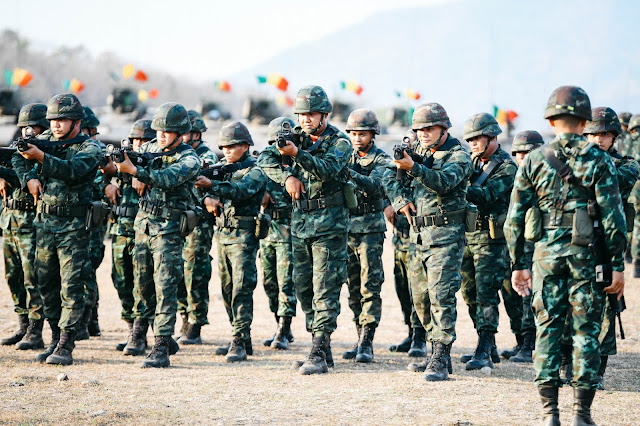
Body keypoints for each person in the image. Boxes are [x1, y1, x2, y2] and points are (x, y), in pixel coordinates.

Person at [505, 86, 627, 425]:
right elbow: (614, 219)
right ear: (585, 121)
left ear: (550, 120)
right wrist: (617, 266)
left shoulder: (534, 159)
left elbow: (514, 219)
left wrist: (518, 264)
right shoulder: (599, 160)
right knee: (585, 331)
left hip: (546, 257)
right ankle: (581, 414)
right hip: (586, 257)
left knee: (547, 329)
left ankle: (550, 414)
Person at [261, 85, 352, 375]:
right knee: (304, 288)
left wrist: (297, 154)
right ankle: (322, 349)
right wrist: (287, 177)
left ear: (325, 115)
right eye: (301, 114)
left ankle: (318, 350)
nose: (305, 119)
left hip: (330, 226)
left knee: (325, 288)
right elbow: (264, 159)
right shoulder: (294, 136)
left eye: (311, 114)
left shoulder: (340, 142)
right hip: (300, 225)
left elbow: (327, 169)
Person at [13, 93, 102, 365]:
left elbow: (71, 170)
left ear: (77, 122)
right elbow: (18, 156)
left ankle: (66, 343)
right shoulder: (44, 141)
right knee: (46, 284)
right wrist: (28, 179)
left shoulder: (90, 148)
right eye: (52, 120)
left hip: (73, 228)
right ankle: (54, 337)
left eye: (62, 120)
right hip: (45, 225)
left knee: (71, 286)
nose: (56, 125)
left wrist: (40, 157)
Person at [391, 103, 472, 381]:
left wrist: (413, 167)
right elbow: (390, 178)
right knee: (421, 298)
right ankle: (434, 348)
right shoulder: (417, 150)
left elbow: (444, 182)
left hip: (446, 235)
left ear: (443, 129)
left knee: (441, 296)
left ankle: (440, 353)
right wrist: (401, 200)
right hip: (419, 235)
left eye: (429, 129)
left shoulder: (459, 155)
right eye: (419, 129)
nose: (423, 134)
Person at [117, 102, 200, 368]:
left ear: (181, 132)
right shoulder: (149, 149)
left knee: (165, 285)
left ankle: (162, 346)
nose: (161, 135)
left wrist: (136, 172)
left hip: (169, 228)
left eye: (168, 131)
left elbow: (167, 178)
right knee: (142, 285)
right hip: (144, 225)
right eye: (159, 130)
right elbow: (129, 165)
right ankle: (150, 331)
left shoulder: (190, 159)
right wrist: (121, 164)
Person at [576, 106, 639, 389]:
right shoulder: (573, 162)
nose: (598, 139)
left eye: (604, 134)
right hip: (577, 241)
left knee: (605, 309)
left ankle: (597, 370)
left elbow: (612, 177)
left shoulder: (628, 165)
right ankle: (567, 364)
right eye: (593, 134)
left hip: (607, 243)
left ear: (614, 137)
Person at [203, 121, 266, 362]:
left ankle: (239, 339)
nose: (226, 151)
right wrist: (208, 197)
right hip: (223, 235)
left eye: (231, 146)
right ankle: (240, 336)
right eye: (223, 147)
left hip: (244, 237)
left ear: (245, 146)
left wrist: (212, 185)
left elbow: (240, 190)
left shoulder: (256, 171)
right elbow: (205, 190)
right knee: (227, 289)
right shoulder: (224, 169)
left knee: (242, 288)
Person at [459, 113, 517, 371]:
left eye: (477, 138)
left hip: (492, 240)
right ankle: (488, 346)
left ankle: (484, 348)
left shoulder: (506, 167)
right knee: (469, 293)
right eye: (469, 139)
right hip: (470, 235)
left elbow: (487, 195)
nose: (472, 143)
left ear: (492, 136)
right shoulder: (472, 161)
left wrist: (456, 185)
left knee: (486, 294)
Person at [342, 108, 395, 363]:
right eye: (353, 134)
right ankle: (358, 335)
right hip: (346, 228)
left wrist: (348, 173)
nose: (357, 138)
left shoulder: (382, 160)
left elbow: (376, 186)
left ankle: (367, 341)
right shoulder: (344, 156)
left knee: (370, 285)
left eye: (362, 134)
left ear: (373, 134)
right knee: (352, 286)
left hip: (370, 230)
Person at [105, 119, 154, 351]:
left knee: (142, 282)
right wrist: (106, 184)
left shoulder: (156, 163)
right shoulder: (123, 159)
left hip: (143, 231)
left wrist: (141, 174)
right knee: (121, 279)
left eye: (144, 140)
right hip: (120, 230)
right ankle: (131, 328)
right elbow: (97, 171)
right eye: (135, 139)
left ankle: (139, 333)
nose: (139, 144)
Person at [0, 103, 46, 350]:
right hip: (10, 220)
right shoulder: (17, 150)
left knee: (32, 278)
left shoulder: (44, 154)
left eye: (33, 127)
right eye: (24, 128)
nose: (27, 132)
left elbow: (23, 178)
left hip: (31, 222)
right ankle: (23, 325)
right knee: (13, 276)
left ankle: (35, 331)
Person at [499, 130, 545, 364]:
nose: (523, 158)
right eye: (518, 154)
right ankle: (520, 340)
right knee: (513, 295)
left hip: (537, 246)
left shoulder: (547, 180)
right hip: (515, 246)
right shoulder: (514, 178)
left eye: (528, 153)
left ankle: (529, 343)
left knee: (530, 295)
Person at [176, 110, 219, 345]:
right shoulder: (178, 153)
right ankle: (184, 317)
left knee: (195, 271)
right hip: (179, 220)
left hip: (198, 223)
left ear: (196, 134)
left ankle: (195, 323)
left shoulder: (205, 156)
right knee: (178, 271)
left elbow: (203, 184)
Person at [258, 117, 297, 350]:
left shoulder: (299, 165)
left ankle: (284, 328)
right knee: (269, 282)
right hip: (268, 230)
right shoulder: (264, 165)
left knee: (286, 282)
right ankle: (280, 325)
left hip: (289, 230)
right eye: (275, 142)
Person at [388, 130, 427, 357]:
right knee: (402, 287)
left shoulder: (426, 163)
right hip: (401, 236)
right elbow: (387, 180)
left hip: (420, 236)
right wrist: (396, 201)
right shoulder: (397, 164)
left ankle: (420, 336)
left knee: (418, 290)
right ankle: (411, 331)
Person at [76, 105, 111, 340]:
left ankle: (86, 320)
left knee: (87, 268)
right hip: (77, 217)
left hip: (93, 218)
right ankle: (91, 320)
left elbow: (100, 180)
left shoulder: (99, 151)